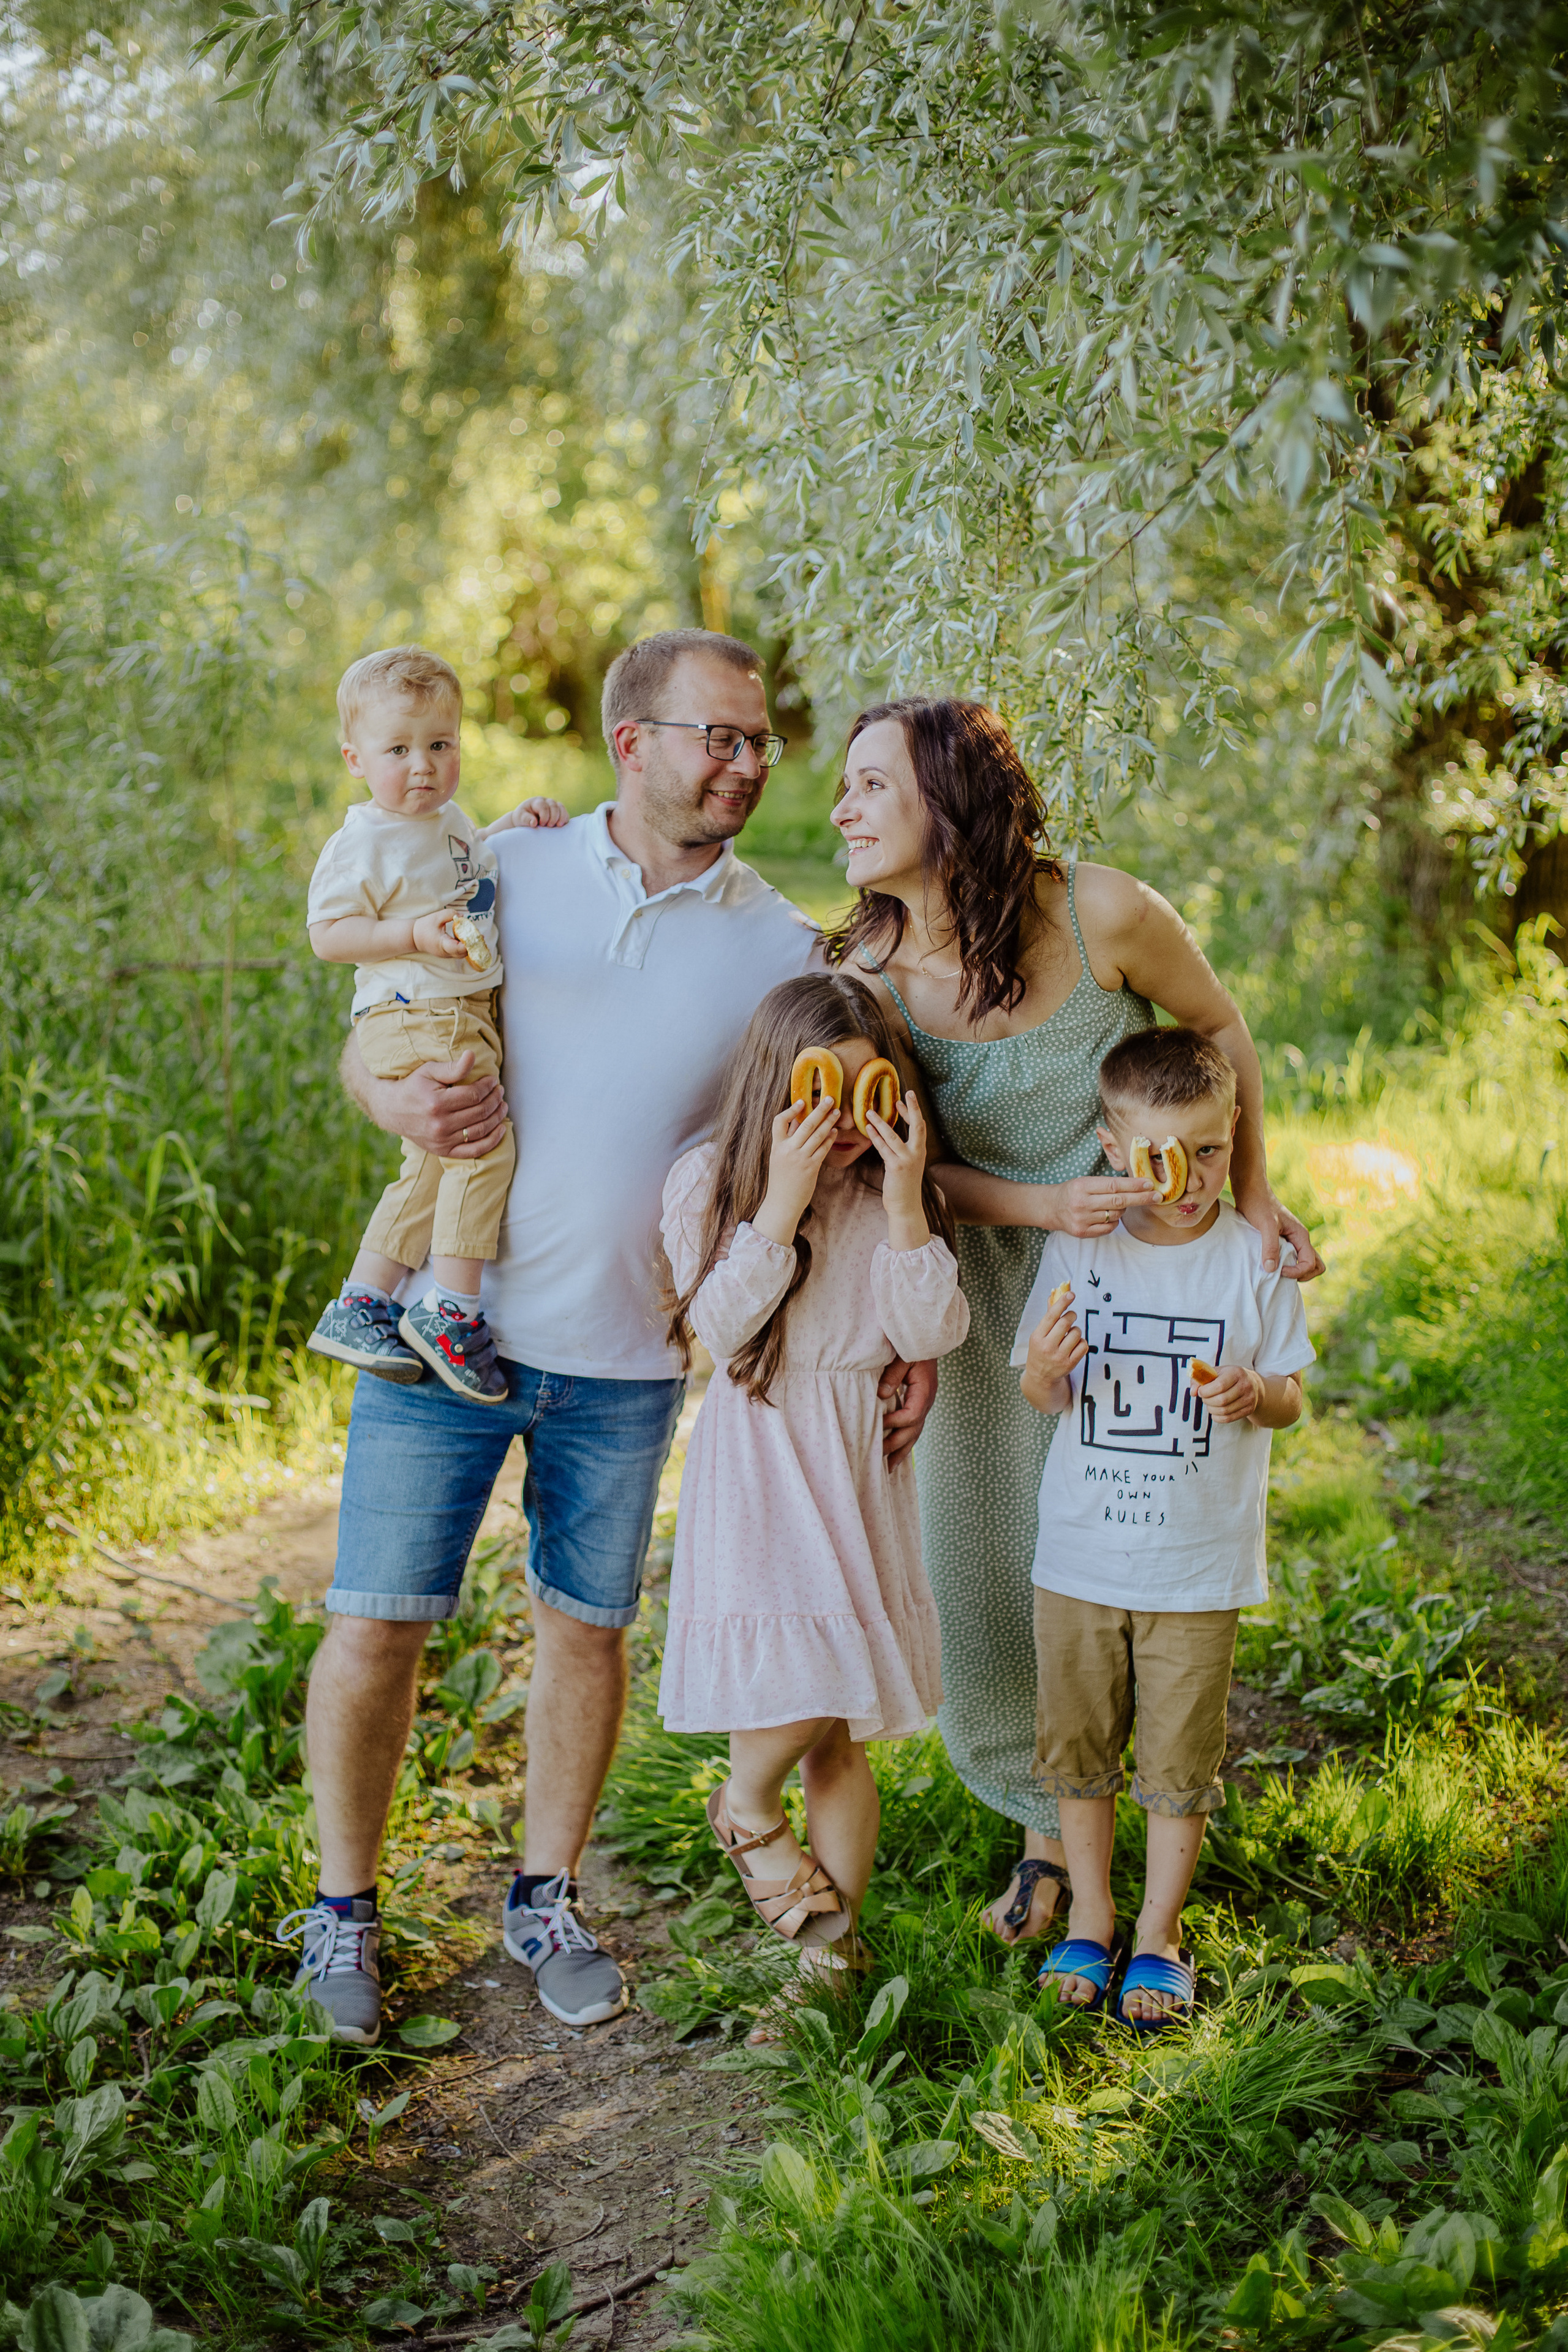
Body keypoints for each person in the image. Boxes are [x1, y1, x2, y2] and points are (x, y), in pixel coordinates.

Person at [282, 630, 937, 2044]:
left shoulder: (779, 944)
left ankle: (545, 1893)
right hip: (441, 1329)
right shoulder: (496, 867)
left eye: (759, 741)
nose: (747, 764)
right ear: (629, 741)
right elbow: (373, 1018)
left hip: (628, 1359)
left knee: (583, 1631)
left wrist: (912, 1324)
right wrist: (386, 1101)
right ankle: (342, 1910)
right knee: (376, 1618)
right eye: (718, 736)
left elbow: (859, 1101)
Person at [829, 698, 1324, 1950]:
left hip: (1139, 1284)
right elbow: (895, 1171)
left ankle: (1120, 1817)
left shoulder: (1100, 913)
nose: (839, 810)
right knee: (984, 1572)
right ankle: (1044, 1833)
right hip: (979, 1289)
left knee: (1123, 1550)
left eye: (869, 786)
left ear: (948, 808)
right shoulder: (863, 974)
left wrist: (1253, 1194)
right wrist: (1039, 1202)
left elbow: (1214, 1029)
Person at [659, 974, 970, 2006]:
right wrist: (783, 1202)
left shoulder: (892, 1198)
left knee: (837, 1728)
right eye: (816, 1095)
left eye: (863, 1091)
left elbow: (929, 1335)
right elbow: (714, 1331)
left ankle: (828, 1967)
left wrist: (901, 1200)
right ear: (773, 1087)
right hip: (761, 1472)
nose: (841, 1123)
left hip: (856, 1468)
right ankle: (747, 1799)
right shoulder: (709, 1183)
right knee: (804, 1675)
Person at [1010, 1026, 1313, 2029]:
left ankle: (1158, 1934)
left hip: (1198, 1566)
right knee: (1079, 1750)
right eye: (1157, 1155)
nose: (1187, 1180)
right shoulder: (1077, 1247)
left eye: (1212, 1151)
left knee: (1179, 1766)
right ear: (1111, 1148)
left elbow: (1294, 1397)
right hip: (1082, 1558)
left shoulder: (1252, 1257)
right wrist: (1047, 1369)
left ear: (1235, 1138)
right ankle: (1089, 1917)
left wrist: (1255, 1393)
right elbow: (1042, 1393)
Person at [304, 644, 567, 1404]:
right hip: (419, 1009)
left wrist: (512, 826)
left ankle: (363, 1301)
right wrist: (414, 936)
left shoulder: (445, 822)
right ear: (356, 758)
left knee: (429, 1162)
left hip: (455, 1010)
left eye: (440, 745)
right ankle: (451, 1310)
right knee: (482, 1147)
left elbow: (468, 871)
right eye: (398, 750)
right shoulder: (362, 840)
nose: (422, 766)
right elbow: (328, 935)